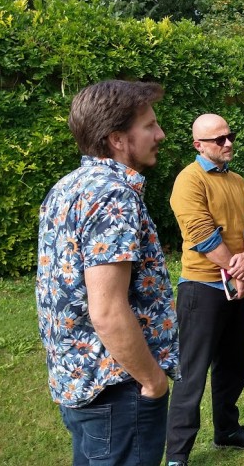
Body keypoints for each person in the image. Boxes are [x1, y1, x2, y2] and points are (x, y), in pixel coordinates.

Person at [36, 80, 180, 466]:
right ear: (117, 139)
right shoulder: (113, 194)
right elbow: (108, 311)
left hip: (79, 385)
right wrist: (152, 381)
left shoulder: (66, 188)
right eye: (149, 125)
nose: (160, 134)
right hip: (118, 389)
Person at [165, 114, 244, 466]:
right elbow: (202, 236)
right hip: (201, 288)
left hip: (235, 285)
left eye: (230, 136)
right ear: (198, 145)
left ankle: (227, 430)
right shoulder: (189, 181)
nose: (227, 143)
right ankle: (178, 455)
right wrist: (237, 269)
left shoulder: (237, 181)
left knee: (233, 365)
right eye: (218, 139)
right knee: (191, 374)